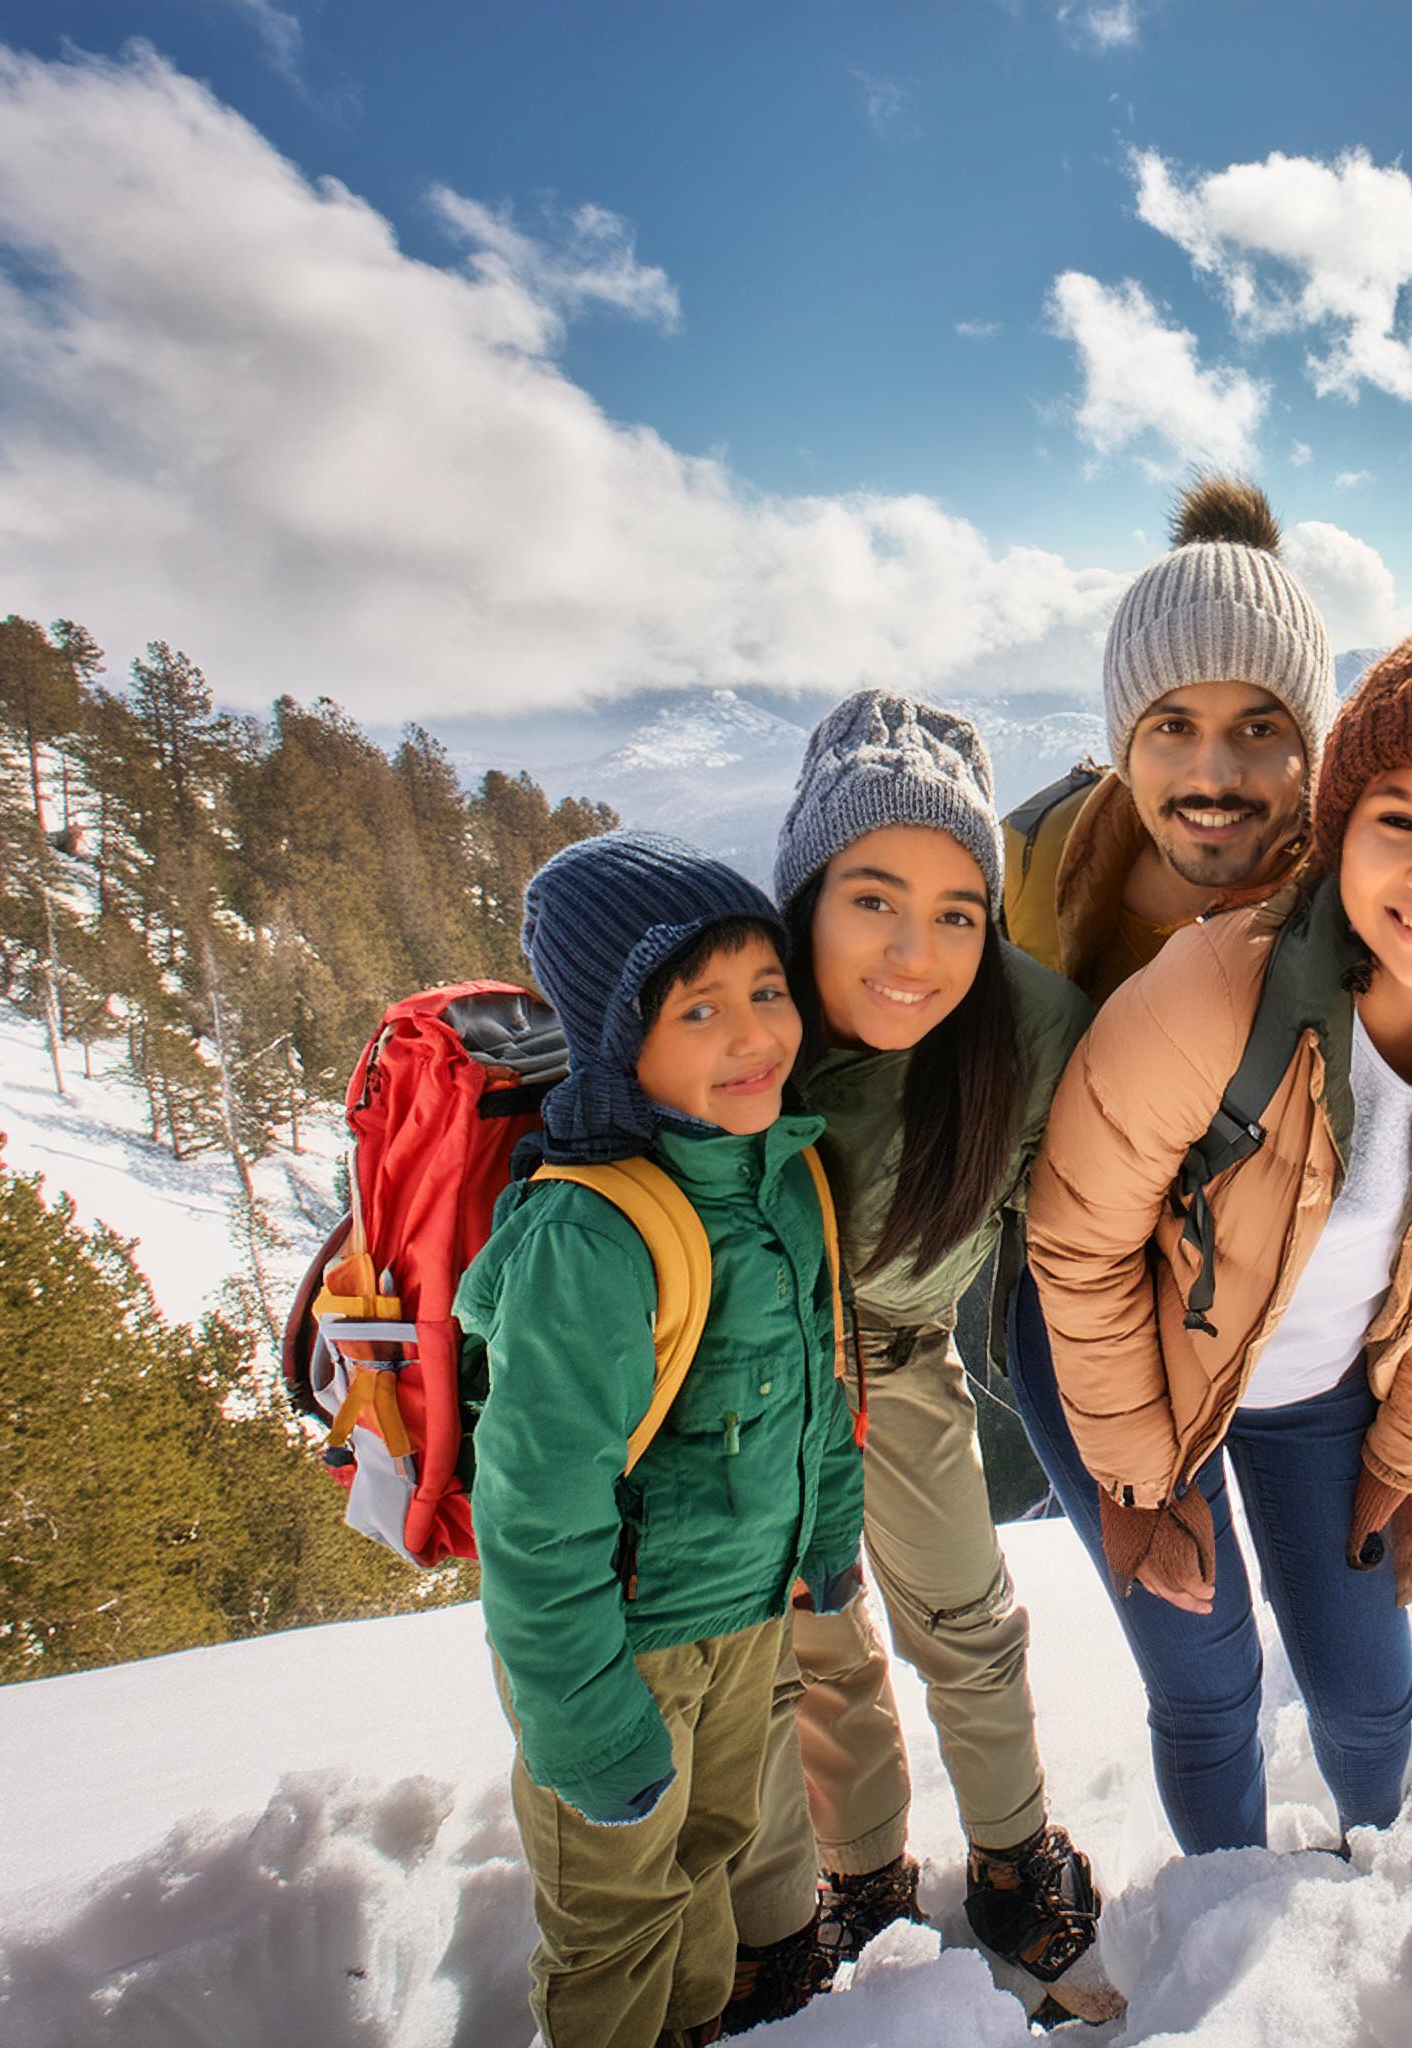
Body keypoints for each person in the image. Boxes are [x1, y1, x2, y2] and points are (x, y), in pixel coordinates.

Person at [1019, 610, 1412, 1857]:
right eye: (1399, 818)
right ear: (1339, 825)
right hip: (1126, 1363)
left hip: (1314, 1384)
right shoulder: (1208, 994)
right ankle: (1224, 1921)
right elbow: (1076, 1248)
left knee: (1364, 1690)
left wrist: (1405, 1458)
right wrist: (1136, 1483)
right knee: (1208, 1683)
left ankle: (1375, 1883)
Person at [722, 690, 1119, 2030]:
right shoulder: (734, 1021)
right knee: (799, 1646)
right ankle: (855, 1880)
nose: (915, 952)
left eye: (958, 911)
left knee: (964, 1620)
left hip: (898, 1359)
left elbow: (1074, 1238)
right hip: (749, 1386)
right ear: (807, 895)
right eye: (873, 899)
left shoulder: (1027, 1028)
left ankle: (1013, 1858)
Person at [458, 830, 865, 2048]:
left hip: (739, 1619)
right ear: (617, 1039)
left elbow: (812, 1374)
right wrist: (581, 1719)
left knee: (708, 1852)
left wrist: (829, 1527)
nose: (754, 1035)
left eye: (766, 990)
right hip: (620, 1648)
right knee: (614, 1917)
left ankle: (691, 2027)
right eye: (699, 1008)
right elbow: (534, 1513)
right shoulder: (587, 1238)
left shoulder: (779, 1169)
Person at [1001, 475, 1338, 1006]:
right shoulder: (1025, 870)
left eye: (1257, 730)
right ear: (1125, 747)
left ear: (1311, 753)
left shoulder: (1364, 927)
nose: (1213, 776)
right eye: (1174, 728)